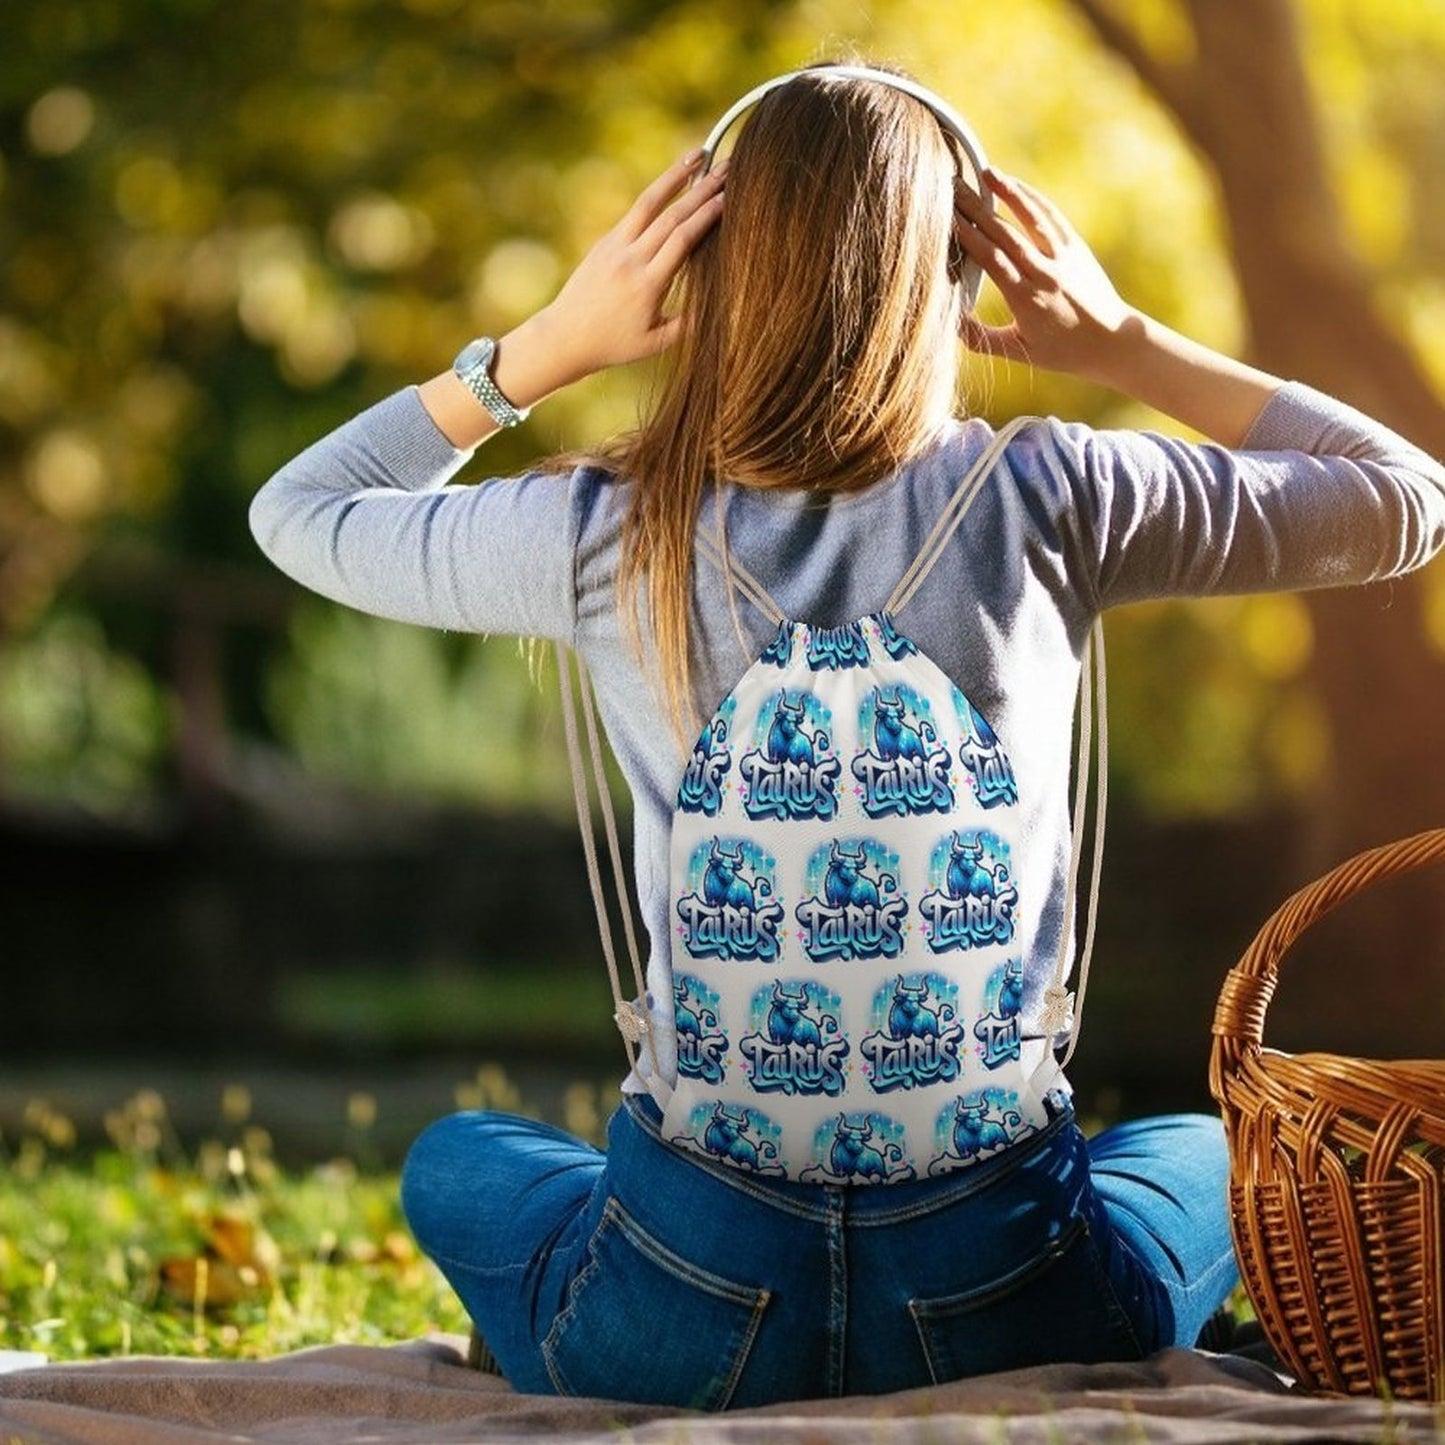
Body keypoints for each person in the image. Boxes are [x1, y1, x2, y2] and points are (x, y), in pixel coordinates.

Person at [250, 65, 1445, 1407]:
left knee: (461, 1156)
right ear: (963, 277)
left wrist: (543, 349)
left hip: (686, 1305)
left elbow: (299, 513)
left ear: (701, 275)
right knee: (1187, 1149)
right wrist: (1123, 344)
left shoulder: (599, 528)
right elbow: (1408, 496)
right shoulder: (1056, 494)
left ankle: (597, 1299)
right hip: (1011, 1302)